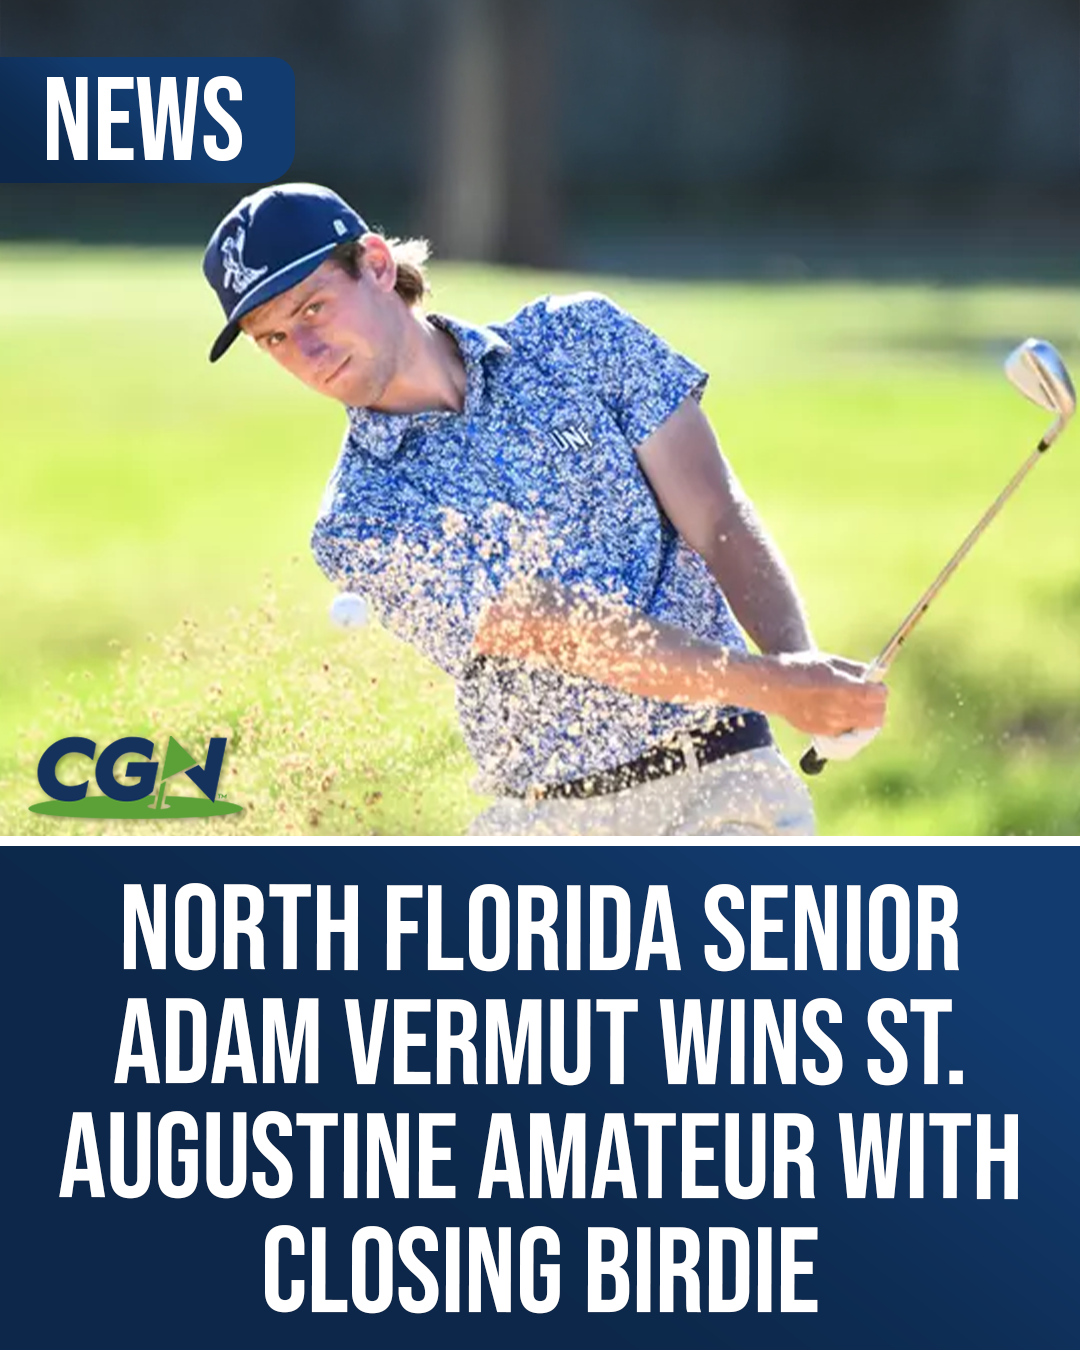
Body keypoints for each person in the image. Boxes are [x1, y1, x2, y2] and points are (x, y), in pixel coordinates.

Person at [203, 183, 887, 836]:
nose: (307, 353)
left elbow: (716, 517)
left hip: (722, 785)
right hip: (553, 825)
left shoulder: (580, 338)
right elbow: (553, 628)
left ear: (376, 265)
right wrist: (778, 684)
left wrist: (802, 671)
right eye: (274, 339)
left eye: (313, 309)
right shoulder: (359, 519)